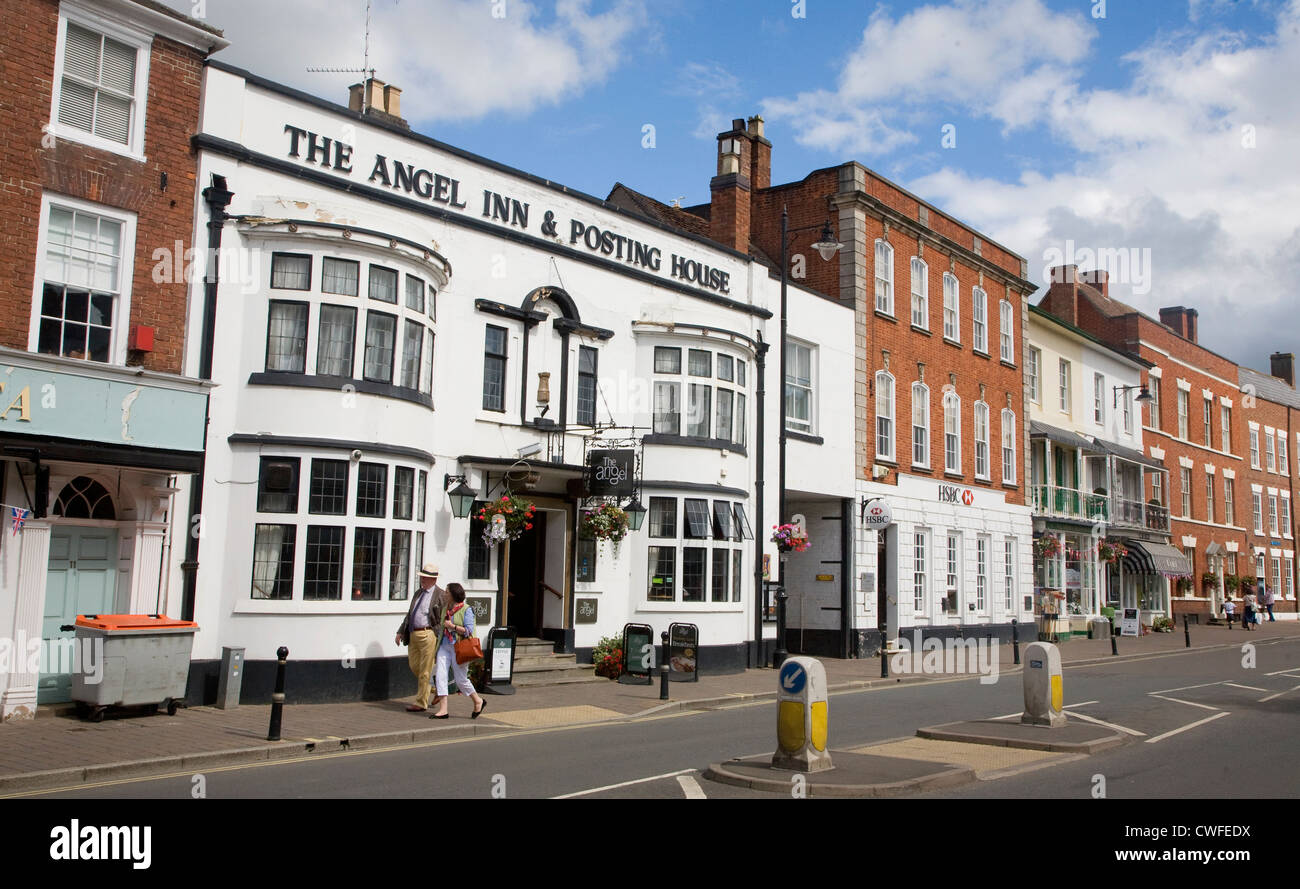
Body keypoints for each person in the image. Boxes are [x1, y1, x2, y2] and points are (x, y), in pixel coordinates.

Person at [430, 583, 487, 720]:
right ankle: (443, 710)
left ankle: (478, 701)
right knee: (440, 676)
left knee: (461, 680)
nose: (444, 594)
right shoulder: (445, 609)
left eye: (447, 592)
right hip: (444, 645)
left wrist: (453, 626)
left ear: (453, 594)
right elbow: (442, 627)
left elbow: (468, 630)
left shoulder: (467, 610)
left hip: (459, 647)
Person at [395, 563, 446, 712]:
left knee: (425, 671)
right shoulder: (418, 593)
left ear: (434, 580)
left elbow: (444, 617)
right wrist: (400, 632)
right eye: (422, 577)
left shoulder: (441, 595)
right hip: (413, 633)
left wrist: (440, 636)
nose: (423, 580)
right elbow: (410, 614)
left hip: (428, 634)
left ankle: (420, 703)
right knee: (414, 666)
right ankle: (437, 691)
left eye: (426, 578)